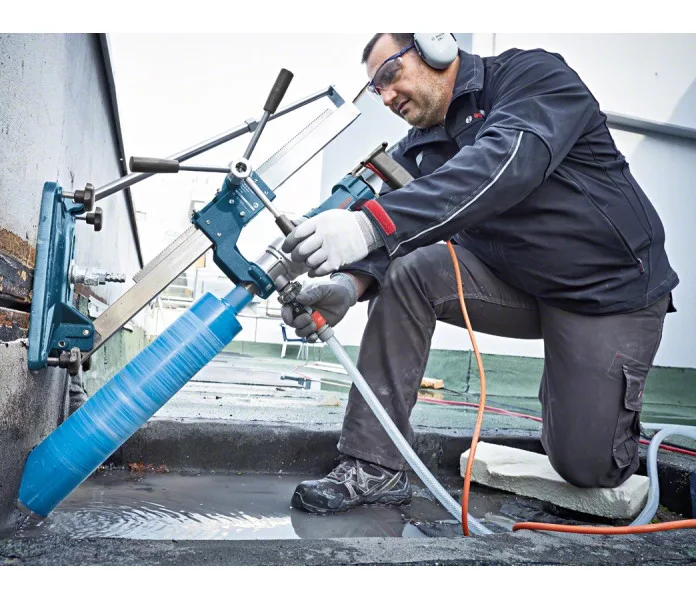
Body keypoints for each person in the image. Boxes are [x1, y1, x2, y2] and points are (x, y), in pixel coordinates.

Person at [281, 33, 679, 515]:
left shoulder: (533, 79)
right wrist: (349, 284)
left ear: (435, 46)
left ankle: (594, 403)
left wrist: (369, 225)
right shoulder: (420, 149)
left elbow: (503, 165)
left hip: (607, 292)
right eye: (375, 89)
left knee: (585, 465)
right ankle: (374, 466)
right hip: (518, 283)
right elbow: (393, 228)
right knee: (410, 270)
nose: (385, 97)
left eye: (390, 75)